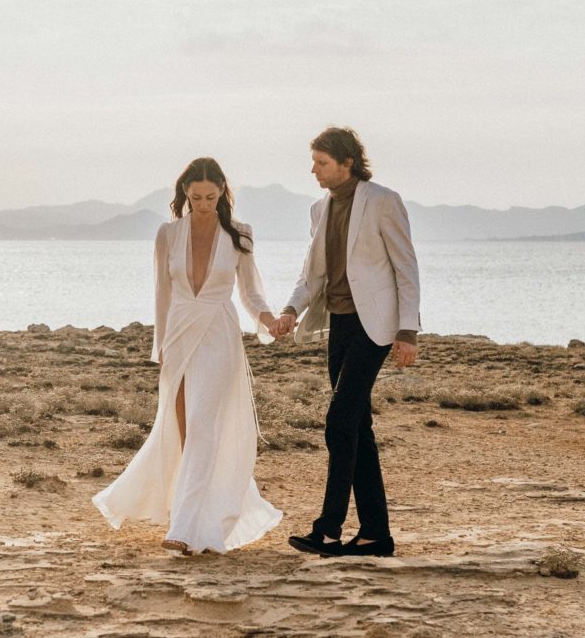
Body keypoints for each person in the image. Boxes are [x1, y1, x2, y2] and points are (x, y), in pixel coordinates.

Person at [93, 158, 284, 554]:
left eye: (210, 196)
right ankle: (196, 510)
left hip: (218, 333)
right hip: (178, 338)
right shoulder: (168, 234)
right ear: (184, 194)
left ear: (222, 193)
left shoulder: (239, 235)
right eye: (195, 197)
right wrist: (160, 347)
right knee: (181, 433)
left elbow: (250, 293)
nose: (203, 203)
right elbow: (162, 293)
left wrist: (269, 320)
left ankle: (183, 530)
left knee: (201, 427)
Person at [270, 126, 420, 557]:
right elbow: (311, 274)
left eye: (322, 162)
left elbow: (405, 267)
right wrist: (290, 311)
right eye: (313, 162)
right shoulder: (319, 210)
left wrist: (407, 330)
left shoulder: (383, 201)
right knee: (358, 428)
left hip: (376, 328)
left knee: (339, 423)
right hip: (337, 325)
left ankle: (328, 529)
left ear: (347, 162)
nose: (314, 170)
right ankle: (376, 534)